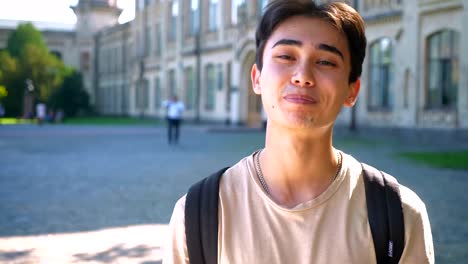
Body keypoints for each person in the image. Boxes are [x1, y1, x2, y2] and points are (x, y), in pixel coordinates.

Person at [164, 1, 434, 263]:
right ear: (257, 78)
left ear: (352, 90)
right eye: (285, 56)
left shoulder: (399, 216)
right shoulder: (198, 216)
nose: (302, 75)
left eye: (326, 62)